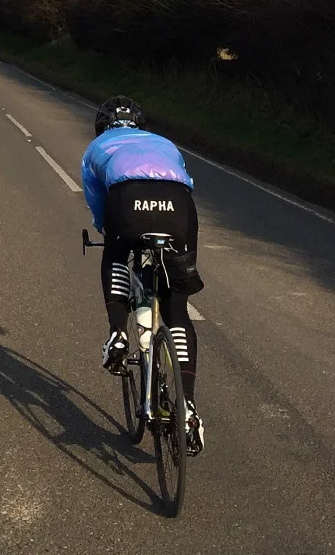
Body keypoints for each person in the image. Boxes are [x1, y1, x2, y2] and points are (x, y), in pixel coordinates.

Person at [81, 95, 205, 456]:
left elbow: (97, 203)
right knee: (176, 306)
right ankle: (188, 408)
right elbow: (186, 181)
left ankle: (118, 334)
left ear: (103, 127)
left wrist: (109, 230)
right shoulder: (164, 143)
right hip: (178, 204)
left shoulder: (96, 148)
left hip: (127, 198)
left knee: (115, 254)